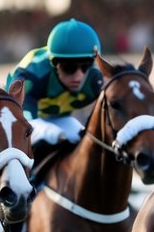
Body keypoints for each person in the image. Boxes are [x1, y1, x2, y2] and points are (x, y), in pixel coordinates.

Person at [6, 18, 104, 163]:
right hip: (19, 119)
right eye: (69, 68)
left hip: (59, 118)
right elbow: (24, 126)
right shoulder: (31, 77)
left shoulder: (95, 78)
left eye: (85, 66)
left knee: (83, 136)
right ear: (54, 64)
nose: (79, 76)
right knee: (54, 135)